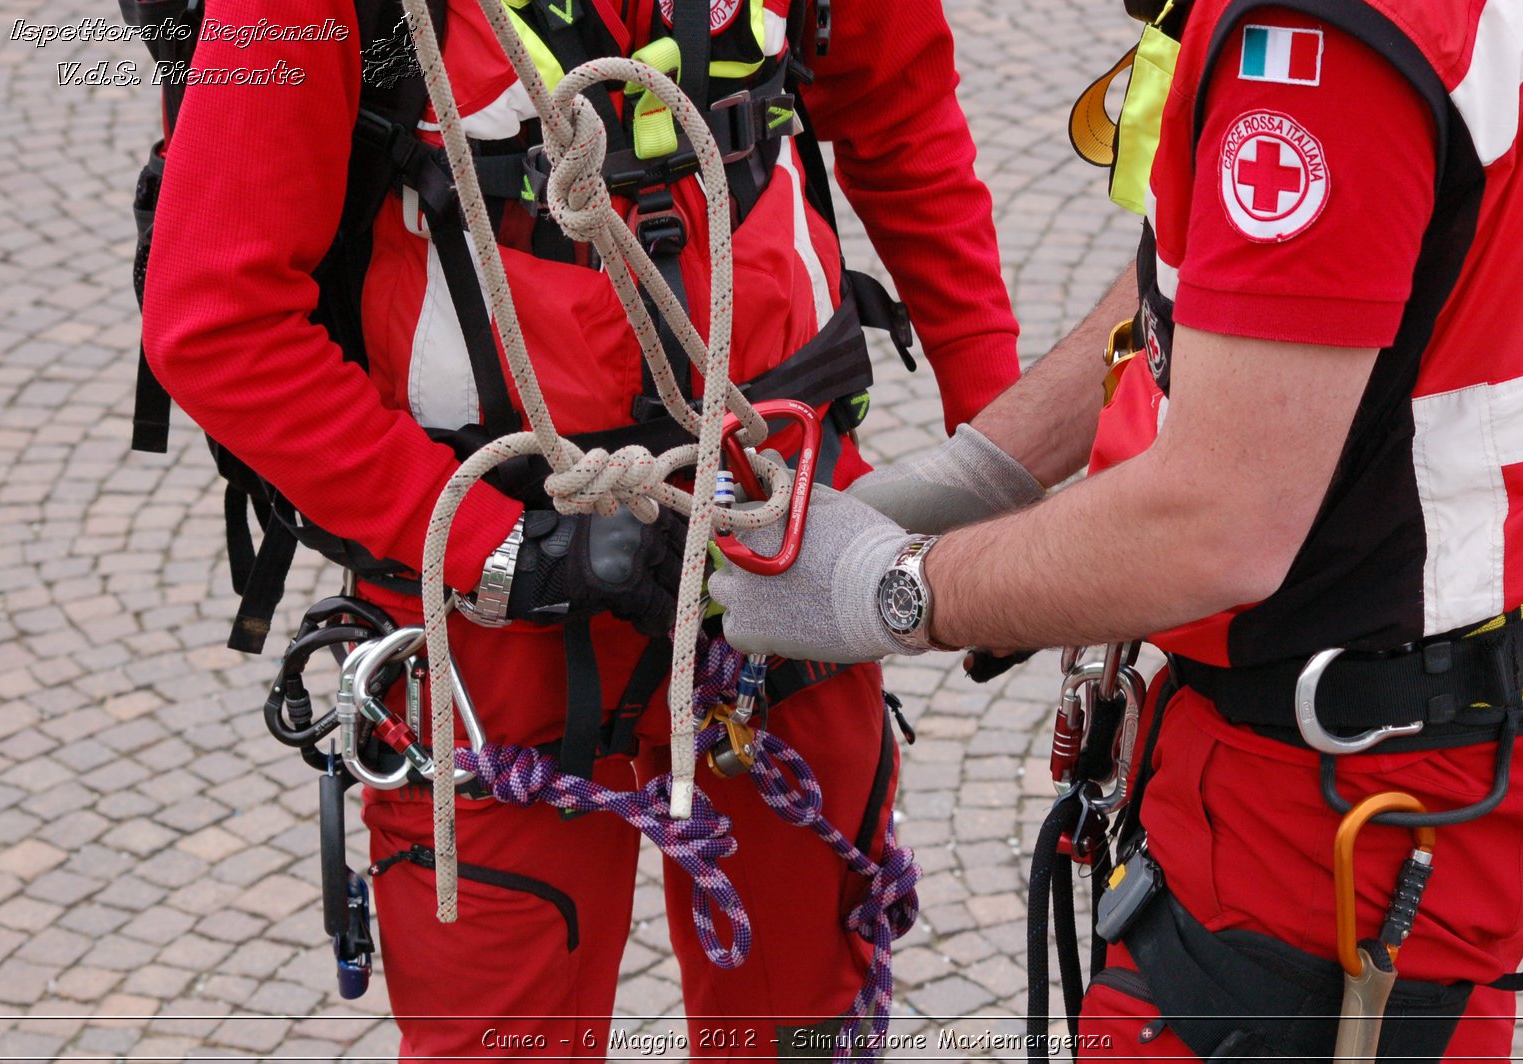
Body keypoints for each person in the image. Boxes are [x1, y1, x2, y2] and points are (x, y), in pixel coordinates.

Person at [714, 0, 1523, 1056]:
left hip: (1322, 820)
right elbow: (1243, 283)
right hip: (1454, 755)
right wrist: (988, 465)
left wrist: (888, 586)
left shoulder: (1313, 47)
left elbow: (1219, 521)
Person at [140, 0, 1020, 1057]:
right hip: (489, 624)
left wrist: (992, 462)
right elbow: (214, 317)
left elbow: (898, 119)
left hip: (781, 541)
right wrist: (495, 551)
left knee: (806, 1030)